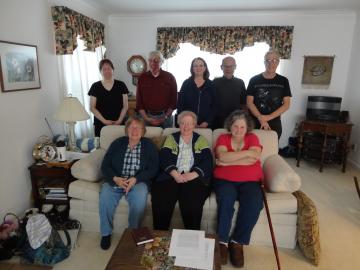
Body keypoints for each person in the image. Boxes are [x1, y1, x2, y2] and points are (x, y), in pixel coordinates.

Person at [99, 117, 159, 250]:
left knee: (139, 201)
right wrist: (115, 178)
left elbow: (154, 168)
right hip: (117, 180)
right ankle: (106, 233)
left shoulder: (149, 146)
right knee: (105, 197)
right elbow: (105, 165)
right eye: (131, 127)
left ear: (143, 131)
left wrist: (136, 179)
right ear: (126, 130)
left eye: (138, 128)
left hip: (137, 182)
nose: (135, 130)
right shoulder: (117, 143)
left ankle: (133, 233)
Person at [213, 110, 264, 267]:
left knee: (255, 203)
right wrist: (246, 155)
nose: (238, 130)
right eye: (235, 126)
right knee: (226, 199)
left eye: (242, 127)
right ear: (230, 126)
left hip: (250, 181)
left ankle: (237, 242)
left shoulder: (253, 137)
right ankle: (222, 242)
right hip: (224, 180)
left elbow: (254, 157)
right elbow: (222, 156)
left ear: (247, 127)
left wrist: (228, 163)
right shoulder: (223, 137)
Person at [151, 111, 213, 230]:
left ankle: (192, 238)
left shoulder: (201, 139)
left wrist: (193, 174)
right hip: (171, 175)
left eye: (189, 123)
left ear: (194, 125)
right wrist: (174, 173)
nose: (186, 126)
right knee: (161, 201)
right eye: (183, 123)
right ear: (178, 124)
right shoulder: (171, 138)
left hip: (193, 177)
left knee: (192, 203)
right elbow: (164, 157)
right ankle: (160, 237)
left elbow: (207, 161)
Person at [246, 50, 291, 139]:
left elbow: (286, 104)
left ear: (278, 62)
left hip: (274, 122)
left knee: (272, 149)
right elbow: (249, 102)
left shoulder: (284, 80)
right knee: (252, 148)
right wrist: (261, 118)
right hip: (255, 121)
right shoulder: (254, 80)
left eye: (274, 60)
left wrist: (268, 117)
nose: (271, 63)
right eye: (268, 60)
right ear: (264, 62)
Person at [136, 51, 177, 128]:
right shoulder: (142, 78)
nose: (153, 63)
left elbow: (174, 101)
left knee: (166, 139)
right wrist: (146, 118)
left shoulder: (170, 77)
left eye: (156, 60)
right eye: (150, 60)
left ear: (161, 62)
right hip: (147, 117)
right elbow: (139, 102)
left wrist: (164, 117)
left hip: (166, 117)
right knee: (147, 139)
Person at [89, 59, 129, 137]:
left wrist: (119, 120)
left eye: (109, 68)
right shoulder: (95, 86)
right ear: (100, 71)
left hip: (119, 123)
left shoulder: (121, 85)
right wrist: (104, 121)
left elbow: (125, 106)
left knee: (119, 145)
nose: (107, 71)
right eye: (104, 69)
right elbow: (92, 108)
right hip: (101, 124)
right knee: (102, 147)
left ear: (113, 70)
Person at [177, 57, 217, 129]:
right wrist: (186, 121)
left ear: (205, 68)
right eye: (195, 66)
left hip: (206, 125)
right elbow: (180, 104)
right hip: (188, 124)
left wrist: (207, 122)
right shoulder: (186, 83)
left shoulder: (211, 85)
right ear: (192, 68)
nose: (198, 68)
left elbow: (215, 106)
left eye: (201, 65)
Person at [213, 56, 247, 129]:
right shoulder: (215, 82)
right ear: (221, 67)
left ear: (235, 67)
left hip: (236, 122)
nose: (228, 69)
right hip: (217, 121)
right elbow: (210, 102)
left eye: (231, 66)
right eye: (226, 66)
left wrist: (244, 120)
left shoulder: (240, 82)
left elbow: (244, 104)